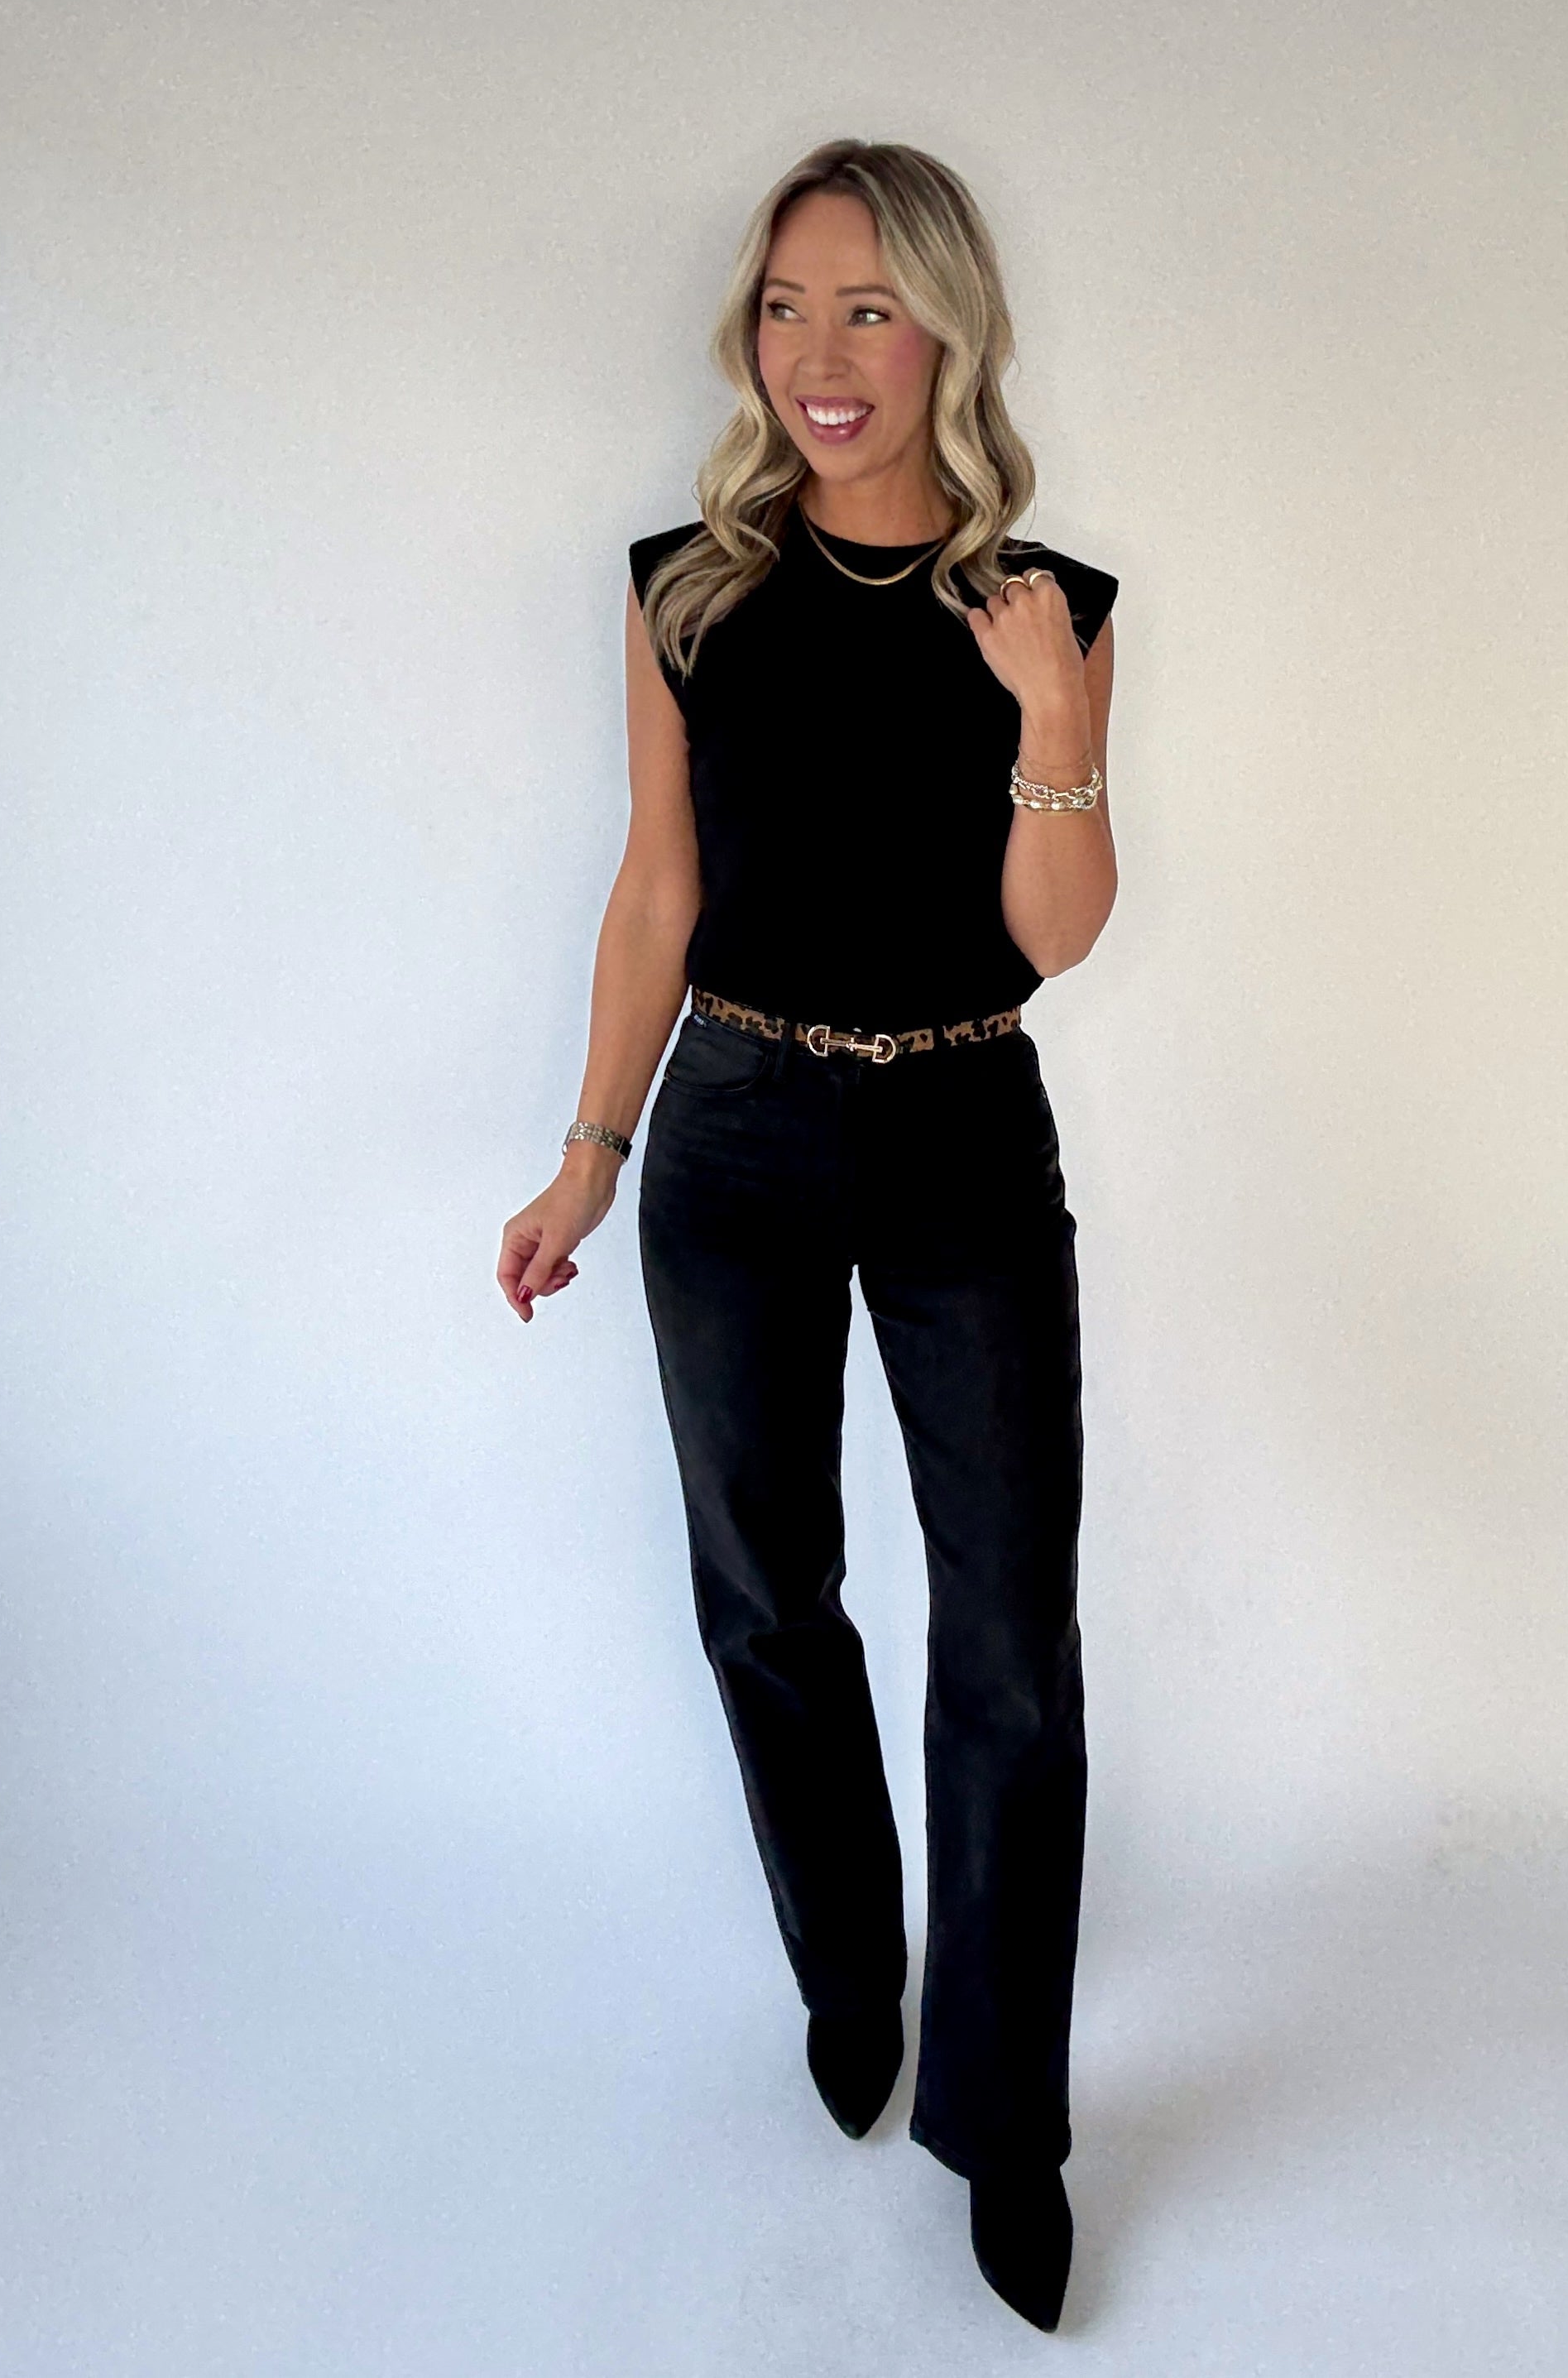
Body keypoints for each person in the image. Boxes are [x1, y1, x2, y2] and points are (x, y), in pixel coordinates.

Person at [496, 138, 1120, 2333]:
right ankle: (852, 1974)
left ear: (947, 329)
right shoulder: (689, 588)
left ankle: (1005, 2119)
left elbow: (1055, 934)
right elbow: (658, 883)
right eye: (787, 304)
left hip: (961, 1122)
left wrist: (1055, 720)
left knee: (1010, 1645)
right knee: (767, 1595)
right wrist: (591, 1149)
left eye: (868, 306)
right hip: (739, 1128)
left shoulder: (1042, 602)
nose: (821, 352)